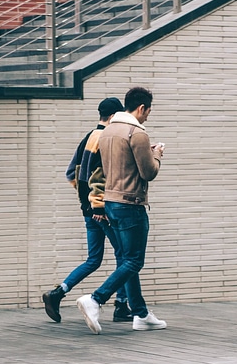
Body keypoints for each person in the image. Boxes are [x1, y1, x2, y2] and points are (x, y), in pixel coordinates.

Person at [76, 86, 166, 334]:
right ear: (141, 108)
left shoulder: (107, 132)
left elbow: (111, 167)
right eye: (147, 111)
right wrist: (156, 155)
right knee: (134, 260)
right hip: (131, 203)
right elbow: (148, 172)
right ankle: (95, 299)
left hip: (111, 202)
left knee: (128, 259)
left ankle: (140, 314)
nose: (147, 116)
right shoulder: (137, 134)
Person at [42, 97, 134, 323]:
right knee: (126, 257)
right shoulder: (104, 138)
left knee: (94, 259)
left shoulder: (87, 138)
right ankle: (121, 305)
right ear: (113, 116)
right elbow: (97, 177)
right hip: (100, 211)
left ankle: (58, 292)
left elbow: (72, 174)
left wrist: (86, 203)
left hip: (89, 210)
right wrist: (98, 205)